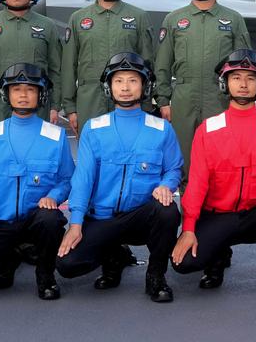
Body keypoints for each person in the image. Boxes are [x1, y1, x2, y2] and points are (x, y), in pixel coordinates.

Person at [171, 50, 256, 301]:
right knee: (183, 264)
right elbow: (196, 184)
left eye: (251, 78)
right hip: (217, 216)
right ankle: (217, 257)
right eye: (236, 77)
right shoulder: (208, 130)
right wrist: (188, 228)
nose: (243, 84)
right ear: (225, 83)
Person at [57, 53, 183, 303]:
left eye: (133, 81)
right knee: (67, 265)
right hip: (102, 217)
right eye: (118, 81)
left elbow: (174, 169)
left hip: (141, 217)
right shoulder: (93, 128)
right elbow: (83, 179)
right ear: (109, 87)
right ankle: (114, 257)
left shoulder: (161, 129)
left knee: (168, 211)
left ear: (144, 86)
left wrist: (166, 185)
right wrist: (76, 223)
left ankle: (156, 275)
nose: (125, 87)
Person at [0, 63, 74, 300]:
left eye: (30, 89)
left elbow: (67, 179)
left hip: (36, 221)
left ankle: (46, 276)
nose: (23, 95)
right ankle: (9, 258)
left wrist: (53, 196)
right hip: (0, 221)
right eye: (16, 89)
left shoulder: (55, 136)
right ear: (7, 94)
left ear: (40, 94)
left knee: (51, 219)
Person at [154, 0, 251, 176]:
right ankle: (187, 198)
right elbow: (162, 64)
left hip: (220, 98)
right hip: (183, 100)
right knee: (184, 158)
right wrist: (163, 101)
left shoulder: (233, 19)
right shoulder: (173, 19)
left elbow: (245, 65)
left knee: (222, 157)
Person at [60, 0, 157, 129]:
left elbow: (148, 63)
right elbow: (68, 66)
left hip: (129, 98)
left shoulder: (139, 17)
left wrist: (146, 103)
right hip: (89, 100)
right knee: (91, 143)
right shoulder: (78, 19)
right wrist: (70, 107)